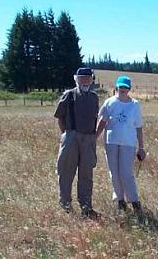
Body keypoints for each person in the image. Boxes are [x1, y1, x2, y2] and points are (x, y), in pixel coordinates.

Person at [53, 67, 100, 217]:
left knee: (87, 174)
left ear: (92, 80)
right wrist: (67, 135)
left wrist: (92, 138)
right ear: (76, 80)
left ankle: (86, 206)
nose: (85, 81)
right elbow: (60, 117)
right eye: (82, 78)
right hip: (71, 137)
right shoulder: (69, 95)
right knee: (66, 171)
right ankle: (65, 204)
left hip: (89, 139)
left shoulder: (94, 97)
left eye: (88, 78)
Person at [96, 75, 146, 212]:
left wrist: (141, 147)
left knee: (126, 173)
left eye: (126, 87)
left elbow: (139, 127)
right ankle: (120, 200)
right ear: (116, 87)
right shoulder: (109, 102)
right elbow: (102, 122)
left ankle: (134, 201)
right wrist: (94, 137)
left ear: (129, 89)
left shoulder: (135, 105)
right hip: (111, 142)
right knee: (114, 172)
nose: (123, 89)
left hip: (128, 143)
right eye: (121, 87)